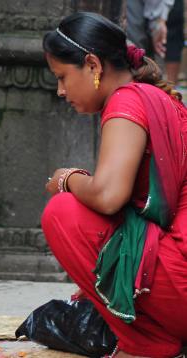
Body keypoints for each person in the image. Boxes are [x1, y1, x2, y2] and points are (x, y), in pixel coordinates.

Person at [42, 12, 187, 357]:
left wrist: (67, 178)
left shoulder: (127, 100)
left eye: (62, 77)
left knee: (62, 211)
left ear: (92, 65)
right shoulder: (155, 96)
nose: (61, 91)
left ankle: (146, 343)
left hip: (181, 282)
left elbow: (109, 196)